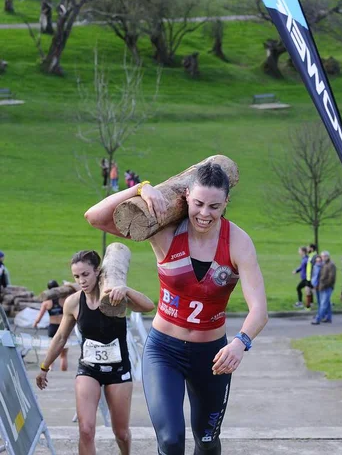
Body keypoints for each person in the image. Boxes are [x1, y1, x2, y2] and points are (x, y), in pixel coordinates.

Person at [84, 161, 268, 455]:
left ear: (226, 203)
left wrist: (240, 343)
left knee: (207, 442)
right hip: (164, 351)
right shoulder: (163, 231)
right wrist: (141, 188)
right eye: (198, 204)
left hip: (212, 356)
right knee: (170, 441)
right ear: (185, 197)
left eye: (214, 206)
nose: (204, 214)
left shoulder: (238, 243)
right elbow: (94, 217)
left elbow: (259, 308)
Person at [36, 249, 154, 455]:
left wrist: (126, 290)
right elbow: (61, 337)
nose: (81, 280)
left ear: (97, 271)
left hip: (118, 370)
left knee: (121, 433)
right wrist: (44, 367)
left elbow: (148, 307)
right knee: (86, 430)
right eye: (76, 276)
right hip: (88, 369)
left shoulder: (114, 296)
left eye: (85, 274)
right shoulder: (73, 302)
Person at [33, 280, 69, 371]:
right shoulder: (64, 300)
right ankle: (63, 372)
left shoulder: (46, 302)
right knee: (63, 355)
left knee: (52, 350)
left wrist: (36, 323)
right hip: (63, 327)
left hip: (52, 327)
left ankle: (51, 369)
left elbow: (40, 315)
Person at [311, 251, 336, 325]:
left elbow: (331, 277)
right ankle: (328, 318)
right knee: (326, 303)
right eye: (322, 256)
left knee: (323, 304)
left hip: (327, 287)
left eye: (324, 256)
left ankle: (318, 319)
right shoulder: (323, 264)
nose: (323, 258)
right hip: (321, 286)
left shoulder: (331, 265)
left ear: (328, 256)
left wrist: (325, 285)